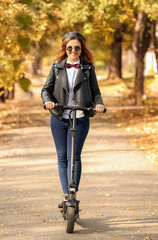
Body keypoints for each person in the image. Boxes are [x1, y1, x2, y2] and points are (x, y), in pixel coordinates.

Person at [41, 32, 105, 207]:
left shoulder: (88, 68)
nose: (73, 51)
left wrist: (98, 104)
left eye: (77, 48)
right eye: (70, 48)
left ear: (81, 49)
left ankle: (73, 195)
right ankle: (65, 195)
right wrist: (48, 102)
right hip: (60, 116)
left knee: (74, 156)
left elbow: (96, 92)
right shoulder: (56, 67)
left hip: (81, 116)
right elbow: (46, 90)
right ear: (65, 49)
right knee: (62, 156)